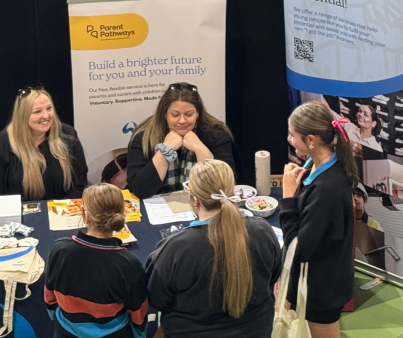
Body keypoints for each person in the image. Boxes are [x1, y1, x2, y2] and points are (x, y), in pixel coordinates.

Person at [146, 159, 282, 338]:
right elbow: (273, 275)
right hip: (257, 330)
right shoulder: (262, 230)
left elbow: (156, 299)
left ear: (195, 200)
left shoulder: (175, 249)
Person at [279, 101, 355, 337]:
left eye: (292, 135)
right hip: (314, 280)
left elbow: (300, 249)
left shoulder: (326, 188)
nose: (289, 139)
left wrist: (288, 197)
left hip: (321, 289)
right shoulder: (316, 163)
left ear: (311, 139)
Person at [43, 183, 149, 338]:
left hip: (66, 332)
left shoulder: (59, 250)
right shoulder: (128, 263)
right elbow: (138, 314)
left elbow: (50, 299)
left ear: (86, 216)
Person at [125, 83, 235, 199]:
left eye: (189, 114)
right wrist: (165, 150)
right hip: (156, 205)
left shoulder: (216, 134)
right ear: (165, 114)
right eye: (175, 115)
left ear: (197, 113)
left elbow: (225, 187)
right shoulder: (144, 135)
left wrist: (199, 148)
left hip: (202, 204)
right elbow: (138, 190)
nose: (182, 121)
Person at [0, 86, 85, 199]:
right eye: (37, 111)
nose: (46, 115)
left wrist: (59, 208)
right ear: (23, 115)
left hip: (62, 208)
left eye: (49, 108)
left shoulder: (68, 135)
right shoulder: (1, 144)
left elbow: (80, 185)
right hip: (20, 210)